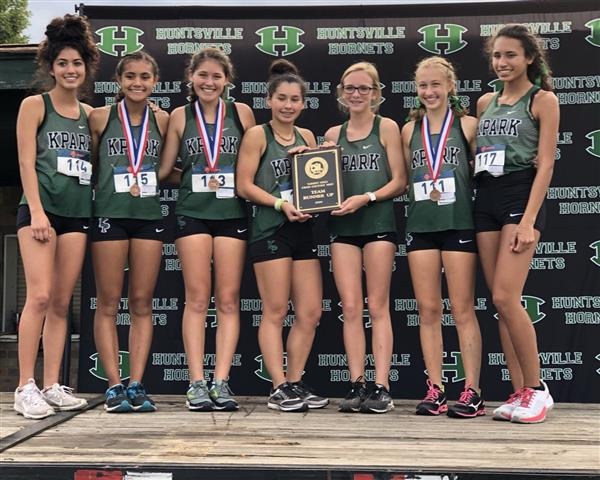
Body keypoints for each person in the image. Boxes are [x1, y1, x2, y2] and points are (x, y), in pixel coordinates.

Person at [159, 48, 255, 411]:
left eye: (216, 76)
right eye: (203, 75)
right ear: (191, 78)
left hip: (232, 212)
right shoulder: (180, 116)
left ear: (227, 81)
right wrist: (197, 179)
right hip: (193, 212)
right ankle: (196, 382)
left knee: (228, 300)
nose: (209, 82)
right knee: (197, 298)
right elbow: (166, 168)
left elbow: (255, 160)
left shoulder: (242, 113)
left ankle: (222, 381)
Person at [14, 14, 99, 419]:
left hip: (77, 214)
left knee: (63, 303)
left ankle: (51, 384)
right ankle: (24, 385)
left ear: (86, 68)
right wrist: (36, 212)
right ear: (51, 66)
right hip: (40, 214)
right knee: (40, 296)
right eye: (63, 63)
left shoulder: (88, 114)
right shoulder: (35, 105)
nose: (70, 70)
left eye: (76, 64)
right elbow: (27, 163)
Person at [475, 24, 559, 423]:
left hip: (519, 195)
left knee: (508, 296)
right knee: (499, 305)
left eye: (510, 55)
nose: (502, 62)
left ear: (528, 58)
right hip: (486, 198)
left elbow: (545, 164)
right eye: (496, 55)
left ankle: (539, 388)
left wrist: (528, 220)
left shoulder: (542, 100)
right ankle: (519, 391)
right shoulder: (484, 102)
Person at [236, 59, 328, 412]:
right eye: (282, 99)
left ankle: (294, 380)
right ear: (269, 100)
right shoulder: (258, 135)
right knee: (275, 310)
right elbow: (244, 185)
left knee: (310, 311)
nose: (289, 105)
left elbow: (318, 183)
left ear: (304, 103)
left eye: (295, 100)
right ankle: (277, 387)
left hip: (302, 227)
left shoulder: (307, 137)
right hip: (270, 227)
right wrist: (278, 204)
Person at [401, 56, 484, 418]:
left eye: (436, 84)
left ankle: (472, 391)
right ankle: (435, 388)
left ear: (450, 86)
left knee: (462, 309)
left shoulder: (468, 126)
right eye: (423, 86)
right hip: (421, 225)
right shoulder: (408, 131)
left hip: (459, 222)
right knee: (429, 310)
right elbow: (403, 179)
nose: (429, 92)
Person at [323, 62, 406, 414]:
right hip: (343, 229)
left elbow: (399, 181)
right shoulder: (331, 135)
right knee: (351, 308)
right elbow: (318, 181)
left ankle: (381, 385)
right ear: (341, 92)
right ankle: (357, 383)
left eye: (364, 88)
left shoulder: (386, 127)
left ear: (376, 92)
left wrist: (367, 198)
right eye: (350, 88)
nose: (356, 94)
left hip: (378, 224)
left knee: (378, 306)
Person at [89, 51, 169, 413]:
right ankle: (113, 385)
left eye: (145, 77)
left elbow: (169, 167)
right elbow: (88, 164)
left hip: (148, 214)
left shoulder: (163, 120)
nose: (138, 83)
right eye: (131, 76)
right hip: (110, 212)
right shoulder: (100, 117)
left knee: (141, 302)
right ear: (119, 81)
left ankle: (136, 383)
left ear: (155, 81)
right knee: (108, 302)